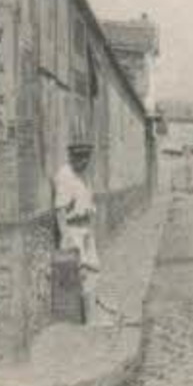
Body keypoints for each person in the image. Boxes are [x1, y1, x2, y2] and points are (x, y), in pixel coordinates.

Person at [53, 140, 114, 326]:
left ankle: (94, 311)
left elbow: (87, 200)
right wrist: (66, 237)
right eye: (81, 159)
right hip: (73, 230)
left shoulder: (83, 175)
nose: (85, 163)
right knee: (82, 273)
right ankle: (87, 318)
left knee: (94, 267)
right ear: (73, 157)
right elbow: (60, 210)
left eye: (87, 159)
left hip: (86, 227)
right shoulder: (65, 176)